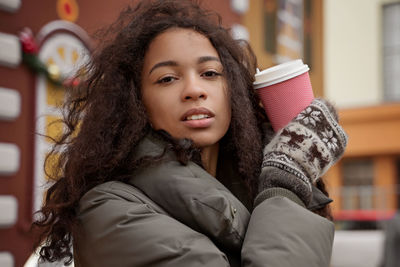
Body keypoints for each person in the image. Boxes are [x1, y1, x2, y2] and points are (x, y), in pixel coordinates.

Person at [32, 0, 347, 266]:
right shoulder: (108, 209)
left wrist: (293, 167)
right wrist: (286, 185)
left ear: (234, 92)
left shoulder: (253, 187)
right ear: (135, 102)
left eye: (210, 73)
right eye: (167, 78)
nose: (194, 90)